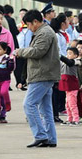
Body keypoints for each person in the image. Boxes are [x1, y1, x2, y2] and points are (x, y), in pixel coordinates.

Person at [14, 9, 59, 147]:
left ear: (35, 22)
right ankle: (50, 138)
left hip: (42, 74)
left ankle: (40, 135)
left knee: (29, 104)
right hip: (44, 74)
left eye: (28, 24)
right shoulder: (43, 31)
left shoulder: (44, 33)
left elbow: (38, 51)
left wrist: (20, 51)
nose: (28, 28)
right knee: (45, 110)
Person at [58, 46, 81, 125]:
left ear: (76, 55)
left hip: (72, 85)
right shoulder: (64, 63)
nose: (68, 55)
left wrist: (60, 56)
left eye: (70, 53)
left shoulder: (76, 61)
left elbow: (69, 63)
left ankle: (76, 119)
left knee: (72, 103)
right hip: (66, 85)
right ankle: (69, 118)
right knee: (67, 104)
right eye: (67, 53)